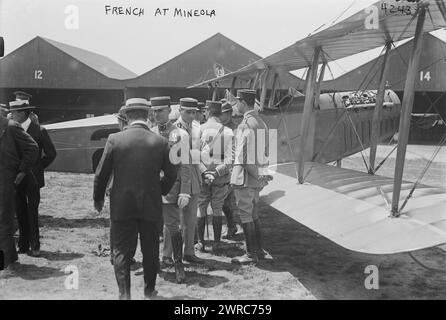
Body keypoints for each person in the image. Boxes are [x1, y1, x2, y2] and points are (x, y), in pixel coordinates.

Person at [93, 98, 176, 300]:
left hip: (122, 205)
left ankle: (124, 294)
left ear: (127, 117)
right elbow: (173, 174)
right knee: (150, 250)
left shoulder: (114, 139)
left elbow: (101, 174)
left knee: (121, 251)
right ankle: (149, 291)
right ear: (147, 116)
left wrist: (98, 199)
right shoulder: (162, 142)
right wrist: (160, 191)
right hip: (151, 205)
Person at [151, 96, 193, 283]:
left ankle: (178, 265)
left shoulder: (180, 135)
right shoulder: (150, 132)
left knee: (173, 228)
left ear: (169, 110)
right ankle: (152, 263)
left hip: (171, 189)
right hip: (150, 189)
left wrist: (185, 190)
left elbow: (185, 165)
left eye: (161, 110)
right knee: (149, 228)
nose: (157, 114)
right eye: (154, 110)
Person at [8, 99, 56, 257]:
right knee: (19, 210)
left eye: (13, 113)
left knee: (32, 212)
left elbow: (51, 154)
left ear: (22, 114)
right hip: (16, 179)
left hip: (33, 179)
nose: (10, 115)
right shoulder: (12, 129)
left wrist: (38, 167)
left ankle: (35, 246)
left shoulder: (39, 130)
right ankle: (22, 245)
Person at [230, 89, 273, 264]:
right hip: (256, 179)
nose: (236, 105)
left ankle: (250, 254)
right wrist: (261, 176)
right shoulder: (262, 123)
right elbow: (266, 154)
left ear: (243, 103)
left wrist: (257, 175)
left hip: (245, 178)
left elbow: (243, 159)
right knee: (254, 214)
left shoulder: (244, 125)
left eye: (237, 101)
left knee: (246, 215)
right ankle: (259, 250)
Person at [0, 113, 38, 275]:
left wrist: (22, 172)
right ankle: (11, 258)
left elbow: (32, 147)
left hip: (5, 181)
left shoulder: (11, 127)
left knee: (4, 220)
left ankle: (8, 264)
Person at [196, 100, 234, 253]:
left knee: (201, 208)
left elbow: (194, 156)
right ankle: (217, 243)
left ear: (208, 112)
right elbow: (231, 160)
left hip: (202, 176)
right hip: (220, 177)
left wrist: (205, 172)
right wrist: (216, 172)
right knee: (217, 209)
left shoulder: (198, 130)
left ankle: (201, 243)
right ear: (220, 113)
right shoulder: (228, 131)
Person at [173, 98, 206, 264]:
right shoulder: (173, 129)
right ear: (180, 110)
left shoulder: (197, 128)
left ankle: (189, 252)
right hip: (177, 177)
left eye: (194, 112)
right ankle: (172, 254)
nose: (192, 115)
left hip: (194, 176)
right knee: (176, 219)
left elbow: (199, 154)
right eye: (188, 112)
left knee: (191, 218)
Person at [220, 99, 240, 239]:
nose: (220, 116)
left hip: (232, 170)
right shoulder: (220, 128)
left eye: (222, 113)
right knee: (223, 202)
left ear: (229, 113)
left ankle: (232, 226)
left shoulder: (236, 129)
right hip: (222, 169)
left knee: (228, 201)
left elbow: (237, 153)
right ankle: (232, 226)